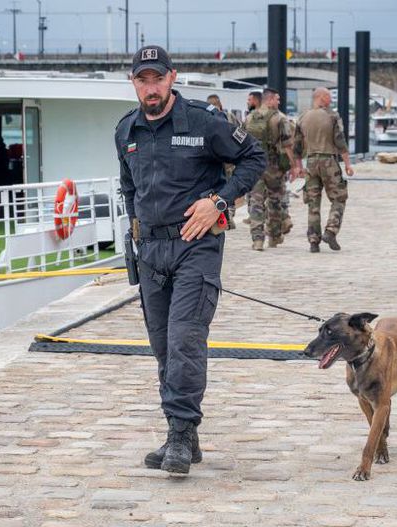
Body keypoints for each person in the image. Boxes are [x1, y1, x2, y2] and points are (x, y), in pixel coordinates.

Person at [115, 45, 266, 475]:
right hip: (151, 253)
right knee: (163, 347)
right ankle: (185, 436)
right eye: (143, 80)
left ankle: (179, 433)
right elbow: (130, 188)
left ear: (172, 78)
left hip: (195, 245)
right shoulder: (126, 131)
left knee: (184, 340)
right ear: (134, 83)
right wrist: (136, 230)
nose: (151, 87)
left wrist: (219, 202)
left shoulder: (204, 121)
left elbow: (254, 158)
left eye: (157, 79)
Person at [294, 87, 354, 253]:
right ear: (320, 97)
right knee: (339, 197)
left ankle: (314, 241)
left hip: (311, 163)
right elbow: (340, 142)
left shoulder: (303, 117)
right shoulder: (331, 116)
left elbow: (297, 147)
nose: (330, 99)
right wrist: (348, 164)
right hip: (328, 161)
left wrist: (299, 167)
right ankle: (331, 231)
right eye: (328, 96)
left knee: (313, 202)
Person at [243, 88, 302, 250]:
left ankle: (257, 239)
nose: (278, 102)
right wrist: (294, 166)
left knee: (255, 202)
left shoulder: (249, 118)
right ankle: (274, 237)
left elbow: (241, 142)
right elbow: (288, 145)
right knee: (275, 201)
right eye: (277, 99)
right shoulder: (279, 118)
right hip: (273, 166)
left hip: (254, 165)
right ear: (269, 100)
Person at [207, 94, 240, 230]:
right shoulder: (229, 116)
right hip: (228, 158)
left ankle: (222, 215)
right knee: (229, 186)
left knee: (216, 188)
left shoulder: (204, 117)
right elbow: (239, 134)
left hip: (212, 160)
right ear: (220, 104)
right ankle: (230, 213)